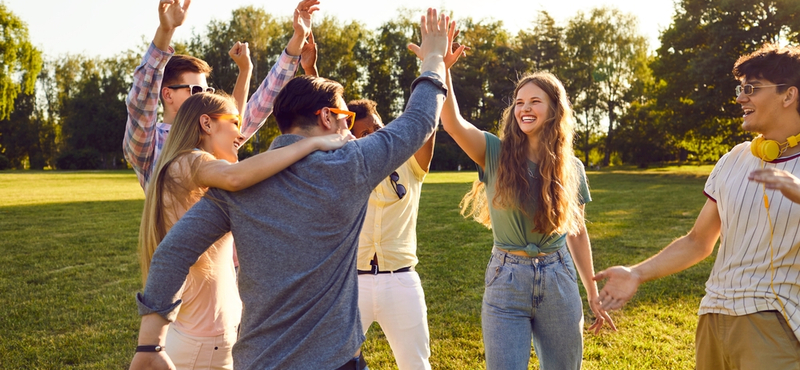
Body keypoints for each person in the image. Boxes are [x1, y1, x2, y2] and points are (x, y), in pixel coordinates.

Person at [128, 8, 452, 370]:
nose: (348, 128)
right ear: (327, 118)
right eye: (345, 118)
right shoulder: (350, 166)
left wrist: (150, 345)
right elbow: (420, 121)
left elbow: (171, 254)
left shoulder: (236, 184)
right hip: (334, 361)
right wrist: (435, 59)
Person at [595, 43, 800, 370]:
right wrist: (637, 272)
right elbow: (697, 242)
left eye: (751, 88)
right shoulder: (734, 159)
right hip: (713, 317)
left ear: (788, 96)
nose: (740, 98)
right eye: (740, 88)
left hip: (774, 323)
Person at [424, 42, 615, 368]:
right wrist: (444, 67)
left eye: (535, 101)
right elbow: (453, 123)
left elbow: (577, 232)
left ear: (555, 109)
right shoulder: (493, 152)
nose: (525, 108)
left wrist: (593, 292)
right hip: (506, 279)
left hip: (559, 279)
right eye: (519, 102)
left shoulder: (572, 168)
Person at [138, 92, 351, 369]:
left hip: (203, 336)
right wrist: (313, 143)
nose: (241, 134)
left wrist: (245, 70)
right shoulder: (189, 162)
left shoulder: (183, 166)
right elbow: (236, 176)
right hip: (204, 344)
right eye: (235, 123)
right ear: (206, 124)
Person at [123, 0, 320, 189]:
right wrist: (166, 31)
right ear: (167, 94)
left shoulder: (215, 131)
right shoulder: (150, 144)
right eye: (196, 91)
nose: (205, 98)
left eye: (208, 91)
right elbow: (141, 99)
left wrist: (297, 40)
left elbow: (262, 104)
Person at [346, 98, 435, 370]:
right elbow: (324, 122)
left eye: (378, 127)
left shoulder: (410, 162)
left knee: (416, 364)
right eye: (364, 134)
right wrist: (311, 71)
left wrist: (439, 70)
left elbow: (428, 122)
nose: (375, 137)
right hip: (352, 285)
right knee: (333, 361)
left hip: (401, 280)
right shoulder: (346, 166)